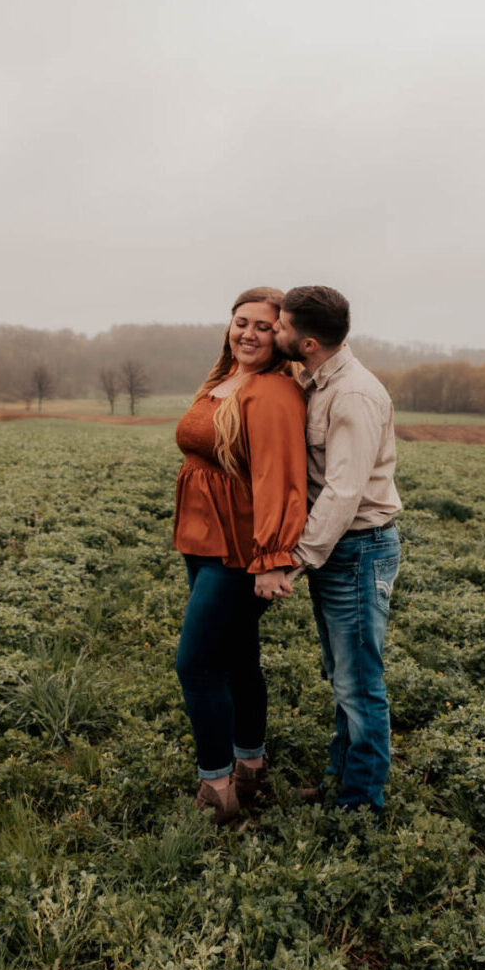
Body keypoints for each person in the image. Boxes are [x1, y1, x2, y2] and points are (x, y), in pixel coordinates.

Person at [261, 285, 402, 815]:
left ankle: (361, 806)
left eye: (280, 326)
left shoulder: (354, 396)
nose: (274, 332)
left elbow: (344, 491)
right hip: (342, 552)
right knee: (342, 675)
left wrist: (293, 561)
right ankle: (341, 780)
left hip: (359, 550)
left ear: (309, 341)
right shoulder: (317, 379)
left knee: (360, 682)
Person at [172, 287, 308, 824]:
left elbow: (281, 476)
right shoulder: (224, 379)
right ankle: (250, 766)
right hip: (203, 539)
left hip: (239, 546)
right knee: (236, 656)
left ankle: (218, 790)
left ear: (283, 337)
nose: (248, 333)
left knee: (198, 664)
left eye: (263, 326)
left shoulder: (273, 391)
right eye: (240, 322)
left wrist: (273, 555)